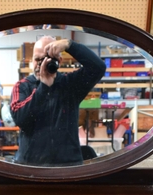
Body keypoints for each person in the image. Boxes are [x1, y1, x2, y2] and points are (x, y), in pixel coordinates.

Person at [10, 36, 105, 166]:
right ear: (31, 61)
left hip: (68, 168)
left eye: (47, 59)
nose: (41, 64)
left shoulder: (70, 85)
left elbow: (98, 67)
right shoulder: (23, 86)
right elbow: (21, 118)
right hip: (31, 168)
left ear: (59, 61)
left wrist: (69, 45)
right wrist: (43, 87)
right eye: (38, 59)